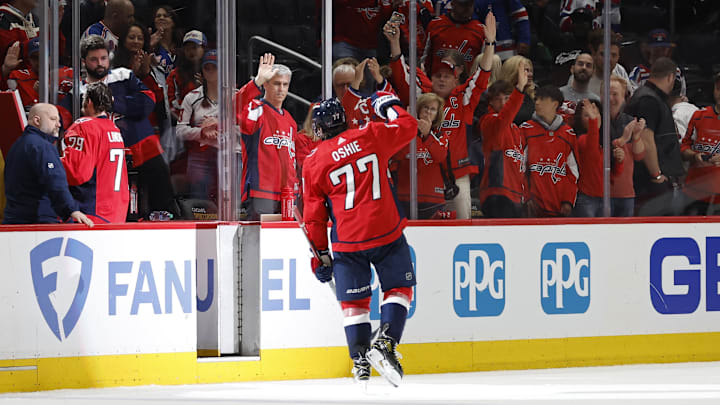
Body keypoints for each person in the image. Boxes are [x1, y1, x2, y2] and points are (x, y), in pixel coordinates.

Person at [302, 93, 417, 387]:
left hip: (347, 240)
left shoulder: (313, 161)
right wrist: (388, 105)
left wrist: (320, 255)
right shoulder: (371, 134)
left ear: (320, 127)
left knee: (355, 303)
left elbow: (314, 217)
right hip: (385, 229)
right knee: (399, 288)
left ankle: (360, 363)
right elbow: (408, 126)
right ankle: (387, 342)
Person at [387, 11, 497, 219]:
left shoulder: (464, 98)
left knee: (463, 228)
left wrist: (490, 44)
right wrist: (394, 42)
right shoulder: (422, 95)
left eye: (447, 75)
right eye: (438, 74)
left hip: (457, 176)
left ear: (457, 79)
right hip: (424, 177)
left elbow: (482, 75)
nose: (441, 79)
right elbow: (401, 73)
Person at [61, 34, 177, 219]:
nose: (100, 63)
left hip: (140, 146)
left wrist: (112, 102)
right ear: (84, 62)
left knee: (161, 195)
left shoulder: (123, 75)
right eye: (94, 59)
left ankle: (169, 219)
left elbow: (148, 101)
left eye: (103, 58)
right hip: (105, 154)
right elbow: (62, 117)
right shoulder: (79, 91)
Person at [3, 103, 93, 226]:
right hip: (38, 220)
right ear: (37, 120)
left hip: (14, 219)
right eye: (53, 119)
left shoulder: (17, 145)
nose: (59, 124)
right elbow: (55, 181)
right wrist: (71, 210)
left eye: (58, 120)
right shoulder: (42, 147)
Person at [236, 53, 297, 220]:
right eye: (276, 84)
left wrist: (294, 189)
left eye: (285, 84)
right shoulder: (256, 109)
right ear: (266, 85)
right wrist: (256, 82)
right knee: (260, 243)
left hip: (287, 194)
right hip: (261, 190)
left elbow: (292, 159)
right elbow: (233, 108)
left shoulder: (290, 120)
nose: (281, 89)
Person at [624, 57, 685, 216]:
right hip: (650, 183)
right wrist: (656, 175)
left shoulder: (650, 97)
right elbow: (646, 139)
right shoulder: (648, 100)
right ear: (671, 77)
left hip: (652, 181)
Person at [61, 82, 129, 223]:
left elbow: (76, 173)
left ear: (89, 101)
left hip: (92, 212)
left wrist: (52, 164)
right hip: (117, 210)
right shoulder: (114, 128)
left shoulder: (84, 126)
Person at [477, 63, 528, 218]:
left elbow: (521, 165)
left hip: (516, 195)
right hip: (497, 191)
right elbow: (503, 118)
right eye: (498, 99)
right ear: (490, 102)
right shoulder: (489, 121)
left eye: (507, 98)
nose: (504, 103)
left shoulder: (516, 129)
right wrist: (519, 89)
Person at [520, 85, 578, 217]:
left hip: (559, 209)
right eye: (536, 99)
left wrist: (568, 201)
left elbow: (572, 173)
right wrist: (526, 197)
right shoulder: (525, 129)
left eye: (542, 99)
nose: (537, 102)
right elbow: (519, 168)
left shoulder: (568, 134)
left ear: (555, 104)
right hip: (533, 209)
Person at [392, 92, 448, 219]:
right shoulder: (404, 133)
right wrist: (408, 126)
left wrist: (427, 135)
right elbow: (397, 156)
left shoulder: (441, 136)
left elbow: (440, 156)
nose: (428, 112)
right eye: (425, 108)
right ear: (418, 110)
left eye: (433, 109)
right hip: (405, 196)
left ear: (437, 114)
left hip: (433, 198)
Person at [175, 50, 219, 201]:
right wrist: (201, 132)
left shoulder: (236, 96)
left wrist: (220, 127)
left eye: (215, 67)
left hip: (228, 155)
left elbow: (246, 128)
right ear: (202, 70)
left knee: (231, 204)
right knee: (199, 203)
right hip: (199, 157)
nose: (211, 71)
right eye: (207, 67)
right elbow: (179, 130)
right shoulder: (191, 97)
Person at [679, 73, 720, 216]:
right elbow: (683, 148)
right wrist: (695, 156)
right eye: (718, 88)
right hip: (694, 194)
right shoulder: (699, 116)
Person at [605, 75, 646, 217]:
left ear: (624, 97)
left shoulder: (629, 121)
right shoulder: (595, 120)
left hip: (626, 192)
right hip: (600, 193)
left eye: (615, 94)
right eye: (606, 93)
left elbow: (639, 155)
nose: (610, 98)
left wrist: (636, 136)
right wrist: (623, 139)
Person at [423, 0, 485, 75]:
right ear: (452, 4)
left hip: (467, 84)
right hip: (437, 81)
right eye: (462, 5)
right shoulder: (435, 25)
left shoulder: (481, 31)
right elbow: (424, 58)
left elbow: (483, 65)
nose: (467, 8)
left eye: (470, 5)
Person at [167, 30, 205, 120]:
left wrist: (207, 88)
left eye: (194, 47)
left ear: (204, 48)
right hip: (185, 126)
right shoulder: (175, 75)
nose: (191, 51)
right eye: (187, 49)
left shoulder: (215, 72)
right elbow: (172, 105)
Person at [498, 55, 535, 125]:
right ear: (513, 72)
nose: (530, 74)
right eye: (526, 70)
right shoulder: (500, 97)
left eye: (531, 71)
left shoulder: (532, 94)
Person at [149, 5, 182, 77]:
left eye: (165, 16)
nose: (161, 18)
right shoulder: (149, 44)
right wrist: (148, 47)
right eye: (158, 16)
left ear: (173, 22)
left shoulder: (181, 44)